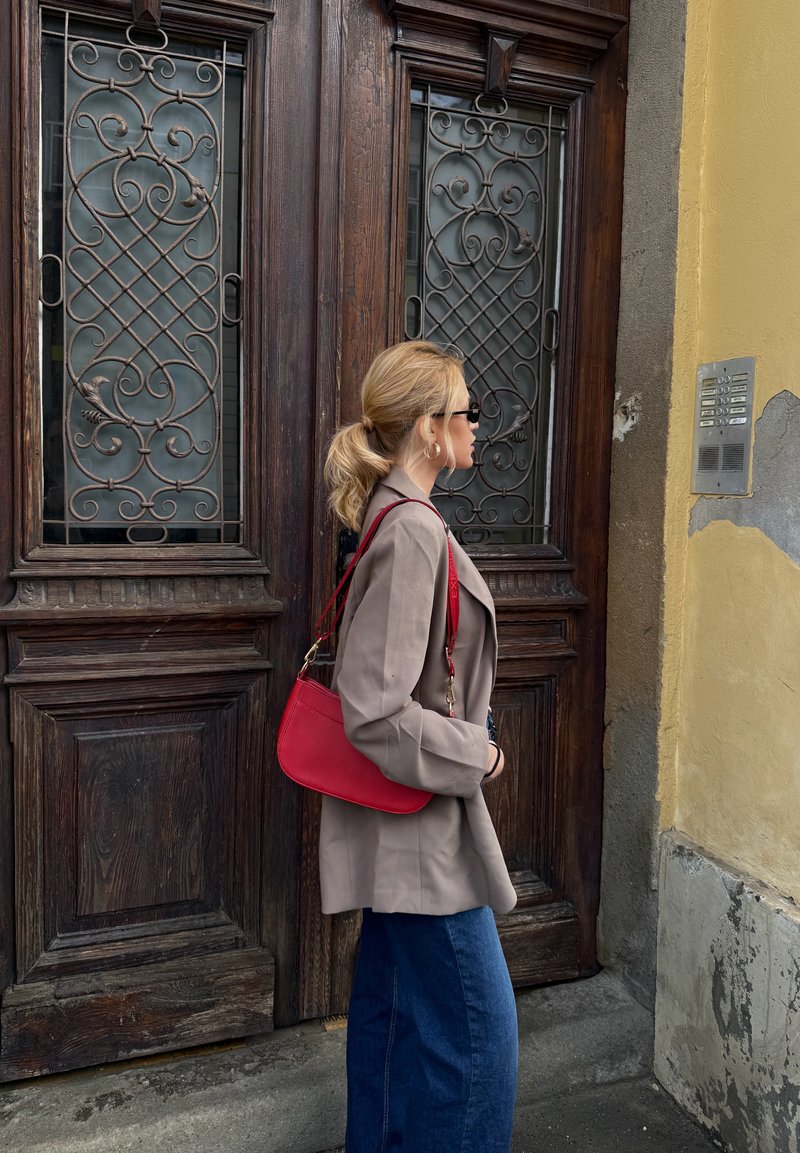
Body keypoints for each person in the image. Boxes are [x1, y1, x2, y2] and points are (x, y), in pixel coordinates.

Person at [321, 340, 518, 1153]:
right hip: (424, 831)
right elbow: (371, 710)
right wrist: (480, 753)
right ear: (432, 428)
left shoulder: (399, 517)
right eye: (467, 409)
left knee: (394, 1019)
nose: (477, 423)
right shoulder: (412, 532)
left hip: (404, 822)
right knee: (479, 1044)